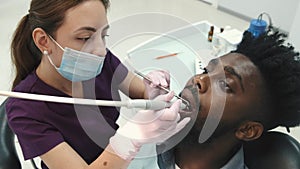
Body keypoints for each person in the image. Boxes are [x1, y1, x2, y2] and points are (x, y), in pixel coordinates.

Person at [5, 0, 190, 169]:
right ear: (43, 41)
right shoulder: (25, 109)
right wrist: (129, 139)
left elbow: (139, 90)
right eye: (85, 38)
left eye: (103, 35)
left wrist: (152, 93)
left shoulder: (99, 62)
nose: (101, 51)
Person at [157, 26, 300, 169]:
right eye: (206, 71)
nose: (199, 80)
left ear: (247, 129)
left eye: (224, 84)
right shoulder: (153, 133)